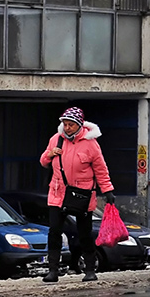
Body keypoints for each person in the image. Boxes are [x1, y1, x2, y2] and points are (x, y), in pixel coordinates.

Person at [38, 106, 114, 284]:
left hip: (82, 194)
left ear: (79, 125)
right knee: (54, 231)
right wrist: (50, 154)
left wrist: (108, 190)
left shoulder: (91, 144)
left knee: (84, 232)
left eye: (71, 124)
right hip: (58, 192)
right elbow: (43, 161)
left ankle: (89, 269)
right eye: (65, 123)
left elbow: (101, 170)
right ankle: (53, 271)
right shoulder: (56, 140)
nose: (67, 127)